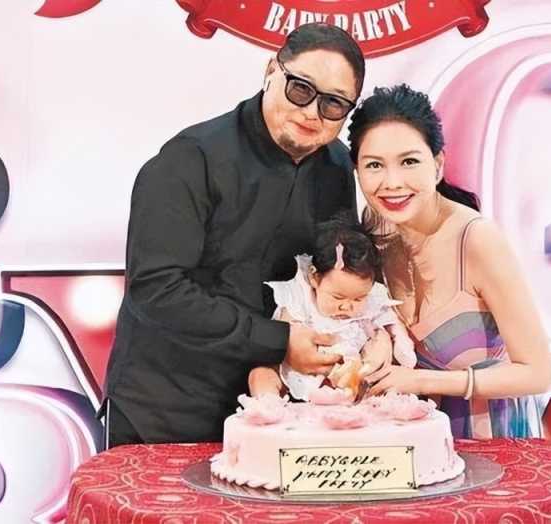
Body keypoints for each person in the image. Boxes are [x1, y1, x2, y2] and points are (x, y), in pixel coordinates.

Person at [103, 23, 368, 446]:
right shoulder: (190, 160)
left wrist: (370, 338)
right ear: (271, 71)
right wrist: (278, 341)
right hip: (166, 408)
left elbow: (334, 272)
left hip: (282, 411)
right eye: (301, 89)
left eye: (333, 104)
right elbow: (156, 290)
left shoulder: (337, 167)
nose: (311, 112)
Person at [350, 84, 551, 438]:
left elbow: (537, 373)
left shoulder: (477, 239)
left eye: (409, 161)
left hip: (494, 435)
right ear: (357, 171)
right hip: (417, 437)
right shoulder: (376, 230)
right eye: (374, 165)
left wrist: (420, 380)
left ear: (438, 164)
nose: (392, 182)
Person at [248, 217, 416, 401]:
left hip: (350, 373)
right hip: (300, 368)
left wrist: (399, 342)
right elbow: (285, 328)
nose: (347, 306)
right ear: (314, 278)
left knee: (380, 380)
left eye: (358, 298)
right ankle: (269, 405)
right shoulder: (301, 295)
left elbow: (390, 322)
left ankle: (355, 403)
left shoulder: (372, 299)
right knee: (260, 374)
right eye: (337, 297)